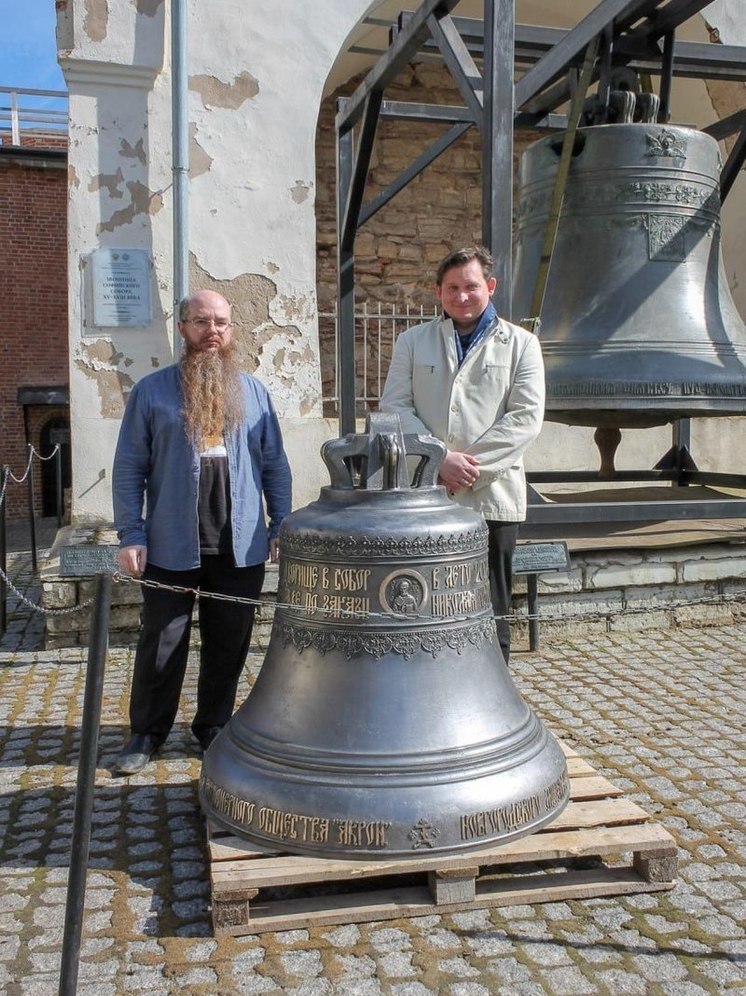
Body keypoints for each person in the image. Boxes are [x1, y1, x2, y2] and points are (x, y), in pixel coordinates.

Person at [112, 289, 292, 775]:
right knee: (162, 642)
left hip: (241, 543)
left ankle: (213, 725)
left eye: (221, 323)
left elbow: (275, 464)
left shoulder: (255, 393)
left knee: (228, 641)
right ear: (183, 328)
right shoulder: (151, 392)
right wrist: (131, 534)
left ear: (231, 331)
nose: (212, 331)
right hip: (173, 541)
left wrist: (281, 523)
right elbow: (129, 468)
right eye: (201, 322)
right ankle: (146, 732)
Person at [379, 246, 544, 664]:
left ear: (489, 286)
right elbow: (395, 408)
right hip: (423, 495)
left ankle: (497, 692)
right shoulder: (412, 342)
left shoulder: (522, 345)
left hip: (493, 498)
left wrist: (467, 470)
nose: (462, 296)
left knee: (492, 604)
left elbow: (525, 419)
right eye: (452, 288)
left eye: (471, 286)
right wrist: (438, 461)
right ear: (439, 292)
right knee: (427, 600)